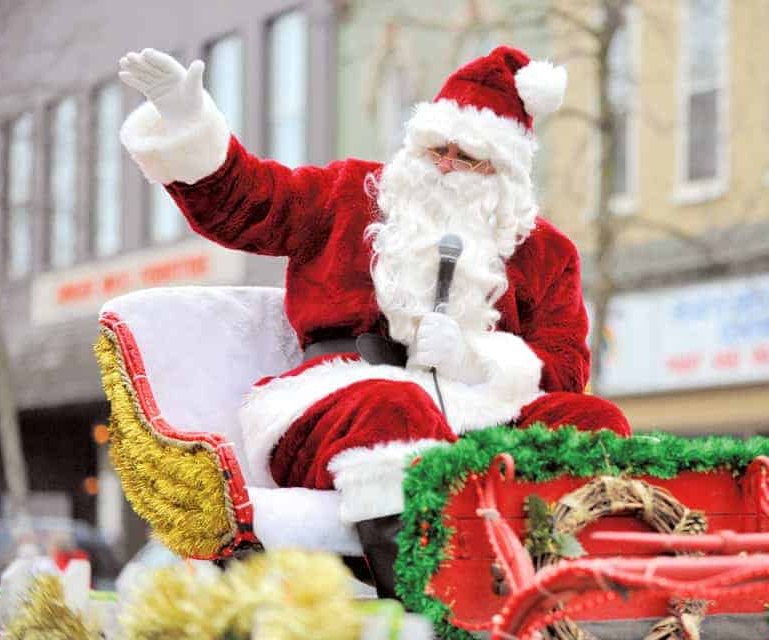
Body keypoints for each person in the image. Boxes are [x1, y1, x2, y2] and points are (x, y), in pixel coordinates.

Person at [117, 45, 631, 597]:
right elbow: (253, 202)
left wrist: (474, 359)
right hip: (338, 400)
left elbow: (564, 369)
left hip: (476, 413)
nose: (443, 165)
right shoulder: (349, 195)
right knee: (393, 405)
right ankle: (431, 604)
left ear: (503, 173)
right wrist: (188, 123)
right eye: (436, 147)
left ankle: (560, 594)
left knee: (591, 417)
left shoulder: (546, 253)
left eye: (466, 157)